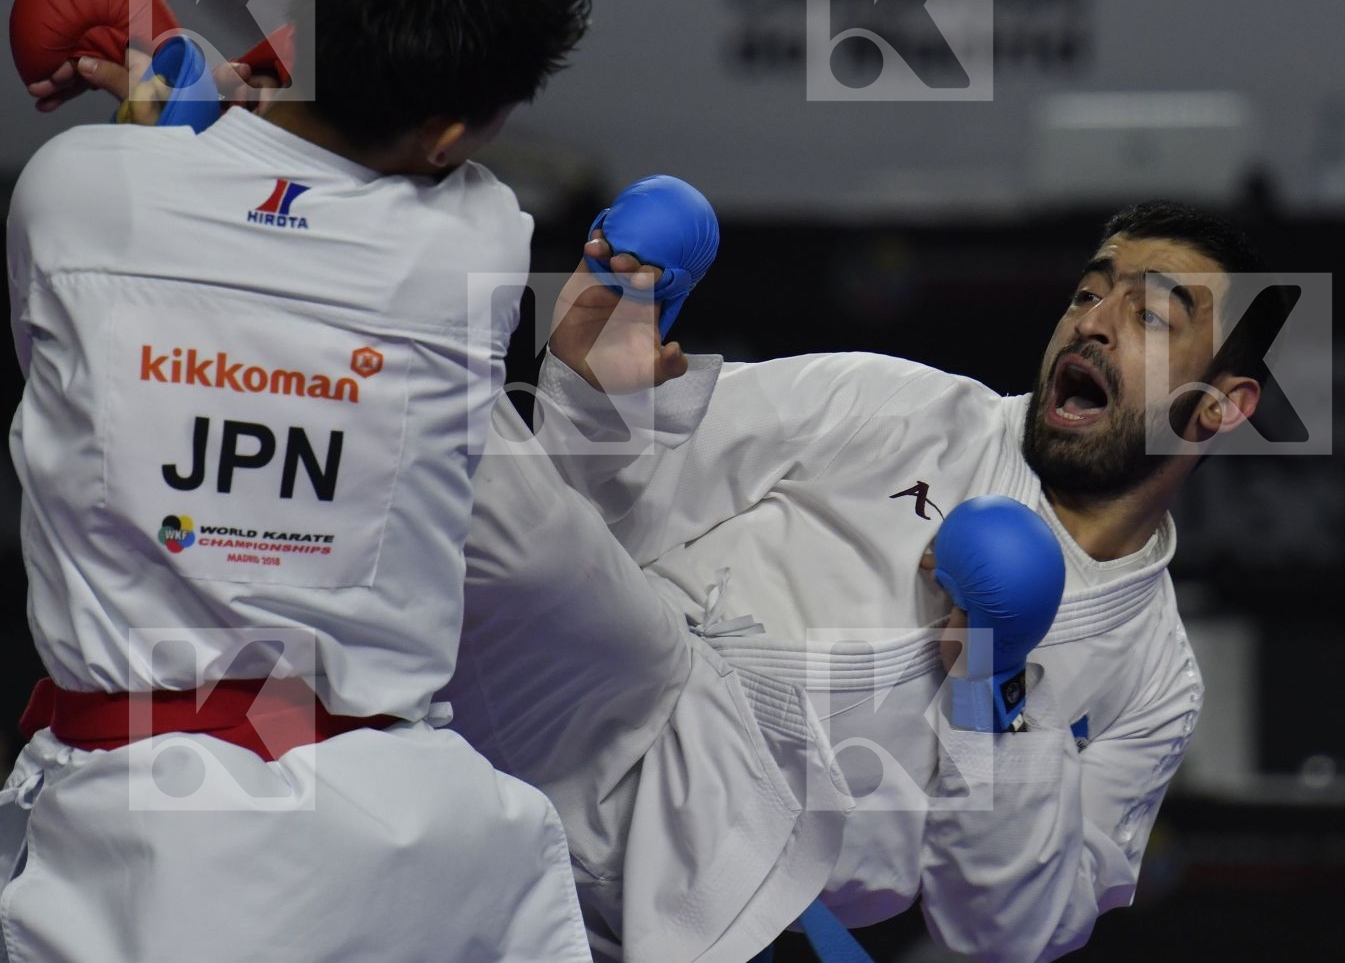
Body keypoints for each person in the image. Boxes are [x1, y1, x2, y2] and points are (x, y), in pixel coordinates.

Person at [3, 0, 595, 961]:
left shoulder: (69, 193)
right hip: (410, 849)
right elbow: (335, 192)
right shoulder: (474, 246)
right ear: (453, 131)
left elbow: (190, 238)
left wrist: (174, 113)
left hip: (132, 840)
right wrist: (208, 97)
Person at [448, 201, 1274, 961]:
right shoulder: (894, 406)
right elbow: (599, 518)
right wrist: (603, 399)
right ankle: (396, 259)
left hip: (724, 918)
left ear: (1221, 405)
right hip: (572, 734)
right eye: (1086, 294)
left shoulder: (1157, 680)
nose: (1092, 324)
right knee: (508, 500)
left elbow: (1004, 932)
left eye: (1151, 317)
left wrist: (995, 696)